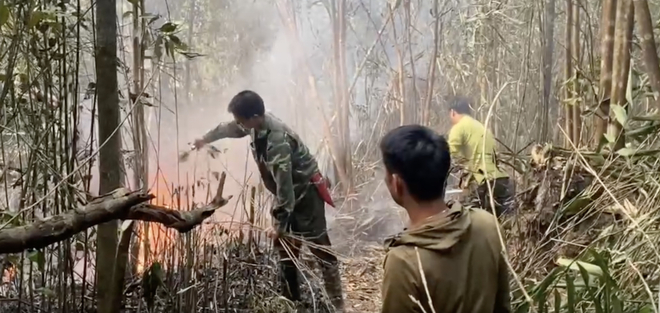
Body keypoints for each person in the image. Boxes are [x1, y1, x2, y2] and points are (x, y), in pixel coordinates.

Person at [193, 90, 344, 312]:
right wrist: (205, 138)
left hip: (306, 193)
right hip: (288, 194)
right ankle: (291, 302)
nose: (239, 124)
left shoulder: (277, 142)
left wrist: (279, 225)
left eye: (241, 119)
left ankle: (337, 304)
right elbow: (229, 128)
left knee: (319, 247)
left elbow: (285, 188)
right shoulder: (254, 124)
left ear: (254, 117)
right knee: (286, 249)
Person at [379, 125, 511, 313]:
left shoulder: (404, 262)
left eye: (385, 173)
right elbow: (503, 306)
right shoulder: (487, 225)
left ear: (397, 183)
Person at [446, 95, 515, 217]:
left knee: (465, 219)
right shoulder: (480, 127)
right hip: (500, 179)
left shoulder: (458, 128)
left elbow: (450, 158)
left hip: (482, 182)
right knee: (502, 223)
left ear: (452, 112)